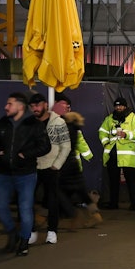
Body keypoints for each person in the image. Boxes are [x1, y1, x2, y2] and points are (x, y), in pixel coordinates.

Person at [0, 92, 51, 257]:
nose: (6, 107)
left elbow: (45, 146)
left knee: (25, 208)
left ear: (20, 106)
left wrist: (25, 154)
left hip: (26, 173)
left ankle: (24, 241)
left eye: (10, 104)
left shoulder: (34, 125)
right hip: (4, 172)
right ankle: (12, 232)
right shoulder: (2, 123)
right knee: (0, 206)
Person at [28, 93, 71, 245]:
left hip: (51, 167)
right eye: (32, 106)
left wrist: (57, 164)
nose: (35, 109)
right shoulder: (29, 123)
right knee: (28, 200)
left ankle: (52, 231)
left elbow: (66, 145)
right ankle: (31, 230)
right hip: (32, 166)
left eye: (38, 105)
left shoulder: (58, 122)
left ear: (45, 104)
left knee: (52, 199)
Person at [52, 94, 99, 225]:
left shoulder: (63, 125)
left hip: (64, 164)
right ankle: (94, 215)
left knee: (58, 192)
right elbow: (80, 143)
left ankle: (72, 214)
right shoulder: (73, 126)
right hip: (73, 164)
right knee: (80, 191)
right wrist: (89, 156)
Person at [98, 97, 135, 210]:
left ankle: (133, 204)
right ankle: (113, 203)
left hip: (127, 155)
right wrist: (105, 143)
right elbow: (102, 131)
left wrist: (126, 135)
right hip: (112, 154)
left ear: (125, 106)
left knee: (131, 180)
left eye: (120, 105)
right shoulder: (109, 119)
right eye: (116, 106)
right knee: (113, 181)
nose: (118, 107)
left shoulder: (133, 118)